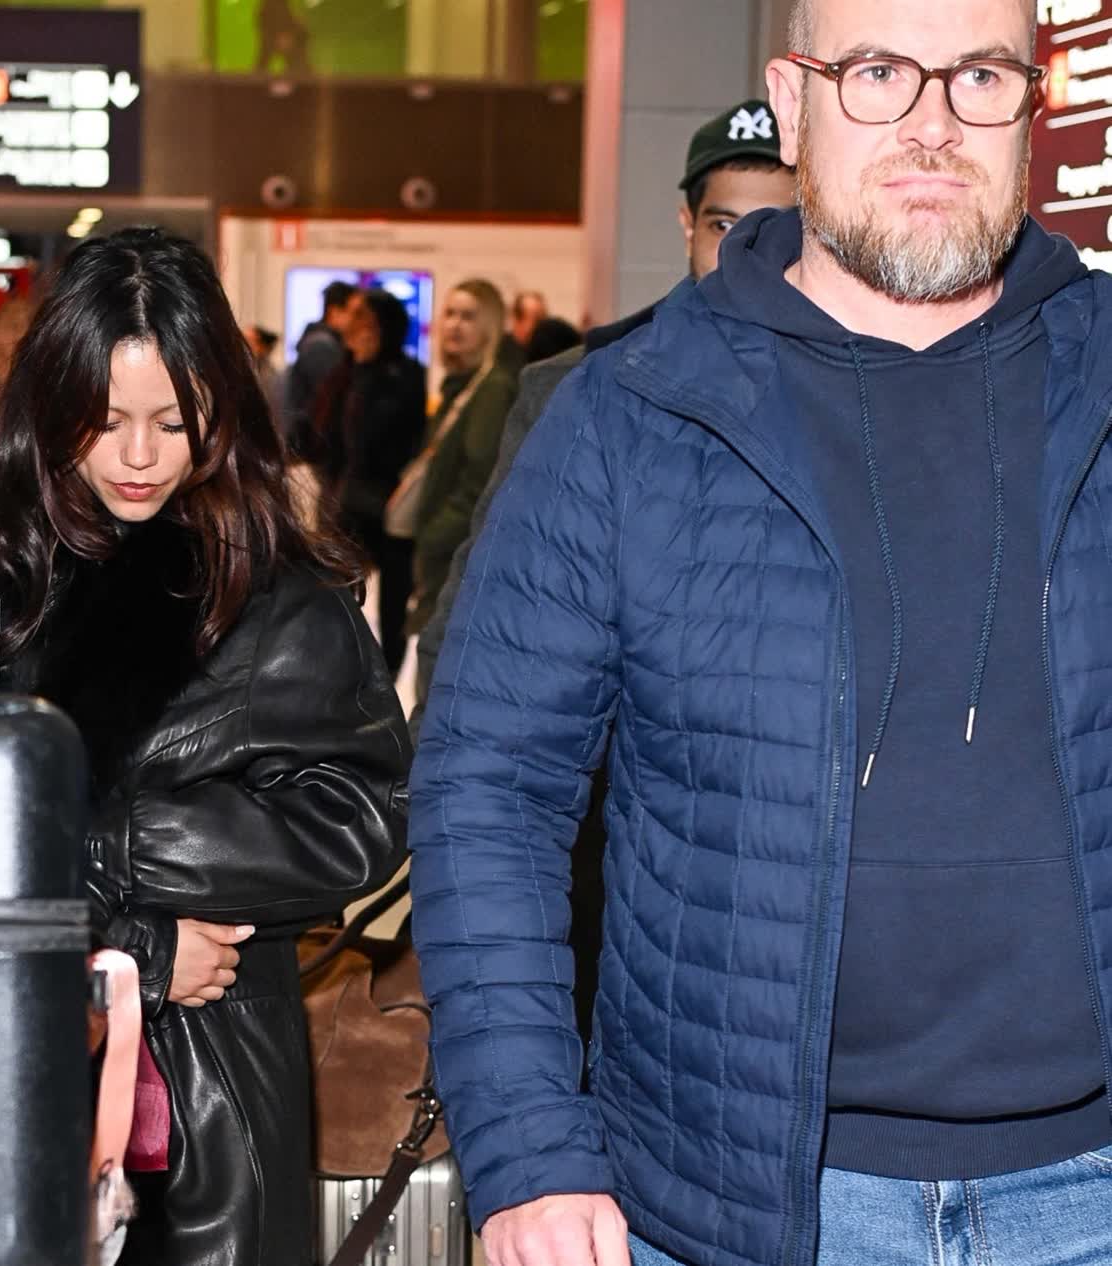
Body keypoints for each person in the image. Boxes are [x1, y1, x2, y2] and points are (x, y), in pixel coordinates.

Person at [413, 2, 1112, 1265]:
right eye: (878, 73)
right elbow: (488, 791)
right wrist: (526, 1144)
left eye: (979, 76)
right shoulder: (627, 413)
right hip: (730, 1209)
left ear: (1032, 105)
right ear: (792, 105)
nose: (932, 124)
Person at [0, 227, 411, 1266]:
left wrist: (118, 843)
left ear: (222, 408)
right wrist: (143, 945)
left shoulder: (279, 599)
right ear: (52, 405)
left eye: (173, 422)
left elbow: (363, 814)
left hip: (214, 1090)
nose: (139, 458)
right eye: (107, 420)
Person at [412, 97, 795, 703]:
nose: (742, 253)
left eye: (770, 229)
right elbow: (485, 607)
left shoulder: (844, 396)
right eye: (723, 226)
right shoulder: (579, 385)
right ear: (687, 225)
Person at [406, 279, 515, 654]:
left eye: (468, 317)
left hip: (459, 558)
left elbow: (479, 482)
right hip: (446, 557)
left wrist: (431, 538)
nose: (455, 325)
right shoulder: (460, 387)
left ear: (489, 326)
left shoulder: (492, 389)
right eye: (450, 313)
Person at [324, 287, 426, 673]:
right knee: (338, 595)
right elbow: (326, 431)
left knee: (393, 603)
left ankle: (387, 673)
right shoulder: (347, 371)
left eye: (362, 318)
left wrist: (365, 371)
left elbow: (375, 437)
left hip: (389, 502)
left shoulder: (404, 374)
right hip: (350, 500)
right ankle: (341, 668)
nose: (352, 326)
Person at [283, 280, 363, 446]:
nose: (360, 320)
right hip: (313, 446)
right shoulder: (322, 346)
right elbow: (334, 403)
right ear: (334, 312)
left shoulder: (326, 343)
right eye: (355, 313)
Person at [502, 289, 547, 368]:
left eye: (538, 318)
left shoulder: (546, 350)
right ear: (515, 317)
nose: (529, 324)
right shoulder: (500, 348)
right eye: (522, 316)